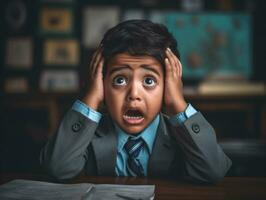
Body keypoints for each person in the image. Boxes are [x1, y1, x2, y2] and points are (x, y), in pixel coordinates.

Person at [40, 19, 231, 183]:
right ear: (102, 85)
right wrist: (91, 98)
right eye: (119, 80)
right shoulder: (87, 135)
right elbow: (58, 168)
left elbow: (213, 171)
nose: (133, 94)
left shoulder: (181, 136)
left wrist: (177, 104)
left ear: (168, 88)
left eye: (149, 81)